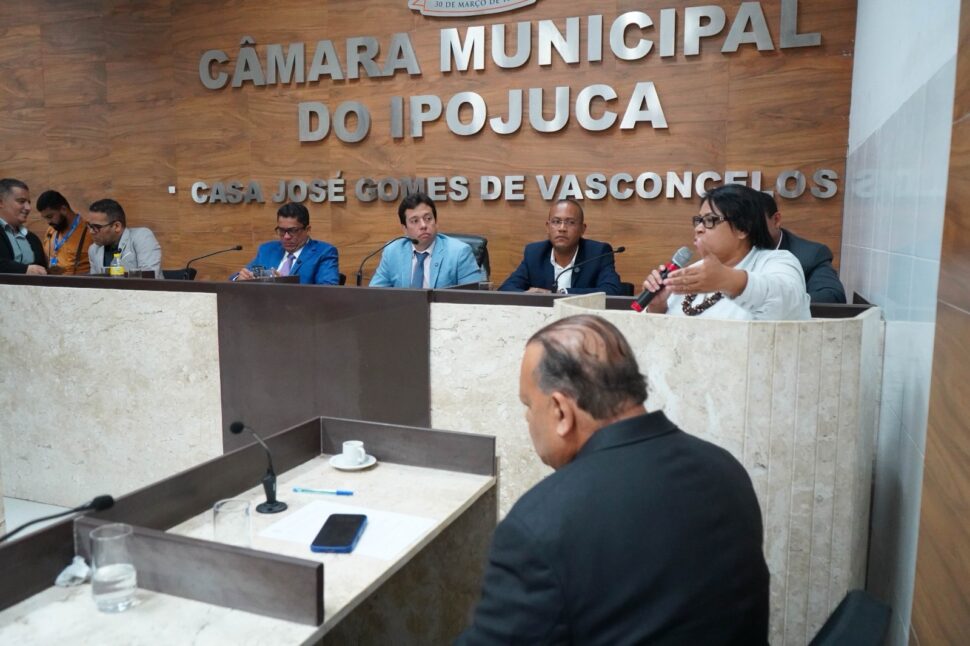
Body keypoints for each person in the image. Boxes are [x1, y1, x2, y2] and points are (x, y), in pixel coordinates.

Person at [458, 314, 769, 645]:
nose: (527, 417)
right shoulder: (726, 470)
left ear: (561, 411)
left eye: (528, 404)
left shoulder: (540, 525)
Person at [642, 184, 811, 320]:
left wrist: (728, 280)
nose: (698, 228)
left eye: (710, 220)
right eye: (698, 221)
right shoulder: (693, 271)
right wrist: (658, 306)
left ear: (743, 228)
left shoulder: (778, 261)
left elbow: (788, 304)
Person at [499, 199, 622, 294]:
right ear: (548, 227)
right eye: (556, 222)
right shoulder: (535, 253)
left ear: (582, 229)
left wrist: (561, 293)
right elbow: (506, 289)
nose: (562, 228)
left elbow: (612, 291)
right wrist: (528, 295)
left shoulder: (598, 253)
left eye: (570, 222)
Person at [369, 192, 481, 288]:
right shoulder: (392, 251)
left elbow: (473, 298)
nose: (423, 225)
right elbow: (375, 294)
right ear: (405, 228)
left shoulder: (459, 252)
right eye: (415, 221)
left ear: (436, 222)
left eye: (428, 218)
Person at [759, 192, 847, 304]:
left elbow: (833, 297)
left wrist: (777, 303)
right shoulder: (740, 251)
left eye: (755, 223)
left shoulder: (810, 255)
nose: (746, 230)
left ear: (776, 220)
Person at [232, 202, 339, 284]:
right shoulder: (267, 250)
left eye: (293, 231)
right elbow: (236, 277)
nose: (286, 237)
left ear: (307, 229)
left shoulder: (324, 252)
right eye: (282, 231)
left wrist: (284, 286)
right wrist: (239, 279)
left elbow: (328, 291)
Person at [86, 198, 163, 278]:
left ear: (117, 226)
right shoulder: (94, 249)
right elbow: (94, 282)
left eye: (96, 227)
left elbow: (148, 278)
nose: (91, 231)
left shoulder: (142, 237)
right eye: (90, 226)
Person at [0, 178, 47, 275]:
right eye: (21, 201)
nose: (28, 208)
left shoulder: (33, 238)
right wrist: (24, 270)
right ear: (1, 203)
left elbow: (42, 268)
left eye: (29, 202)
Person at [37, 190, 89, 275]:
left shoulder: (88, 231)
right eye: (45, 218)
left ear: (63, 209)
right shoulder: (51, 230)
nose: (48, 222)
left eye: (50, 216)